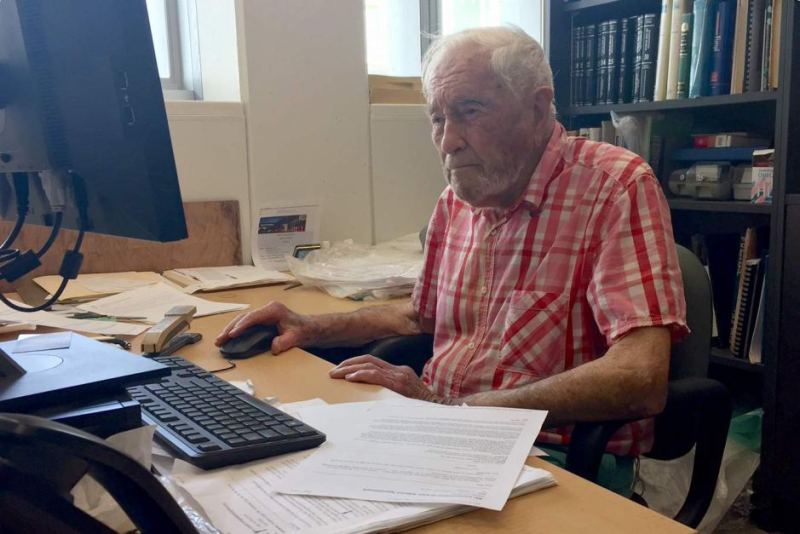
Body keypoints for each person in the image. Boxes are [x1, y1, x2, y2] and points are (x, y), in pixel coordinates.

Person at [216, 27, 688, 494]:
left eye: (468, 112)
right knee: (267, 480)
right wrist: (311, 327)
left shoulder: (614, 188)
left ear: (538, 108)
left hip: (553, 458)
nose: (448, 142)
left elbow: (639, 376)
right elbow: (419, 315)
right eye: (437, 119)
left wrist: (455, 411)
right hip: (433, 429)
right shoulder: (456, 201)